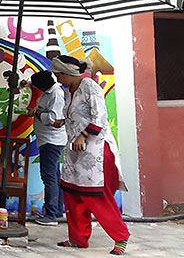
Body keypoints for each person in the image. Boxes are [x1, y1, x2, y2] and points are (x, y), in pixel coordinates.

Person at [51, 55, 130, 256]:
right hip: (74, 150)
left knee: (97, 196)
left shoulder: (90, 87)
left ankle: (121, 235)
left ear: (69, 73)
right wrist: (63, 122)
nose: (57, 78)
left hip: (95, 150)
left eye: (58, 74)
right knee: (73, 194)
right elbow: (75, 115)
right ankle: (78, 238)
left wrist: (84, 135)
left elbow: (99, 116)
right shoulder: (68, 91)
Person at [22, 70, 67, 226]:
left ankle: (51, 214)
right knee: (54, 176)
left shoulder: (56, 95)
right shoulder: (50, 91)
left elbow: (55, 119)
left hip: (52, 141)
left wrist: (37, 113)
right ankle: (57, 211)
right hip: (47, 140)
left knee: (49, 177)